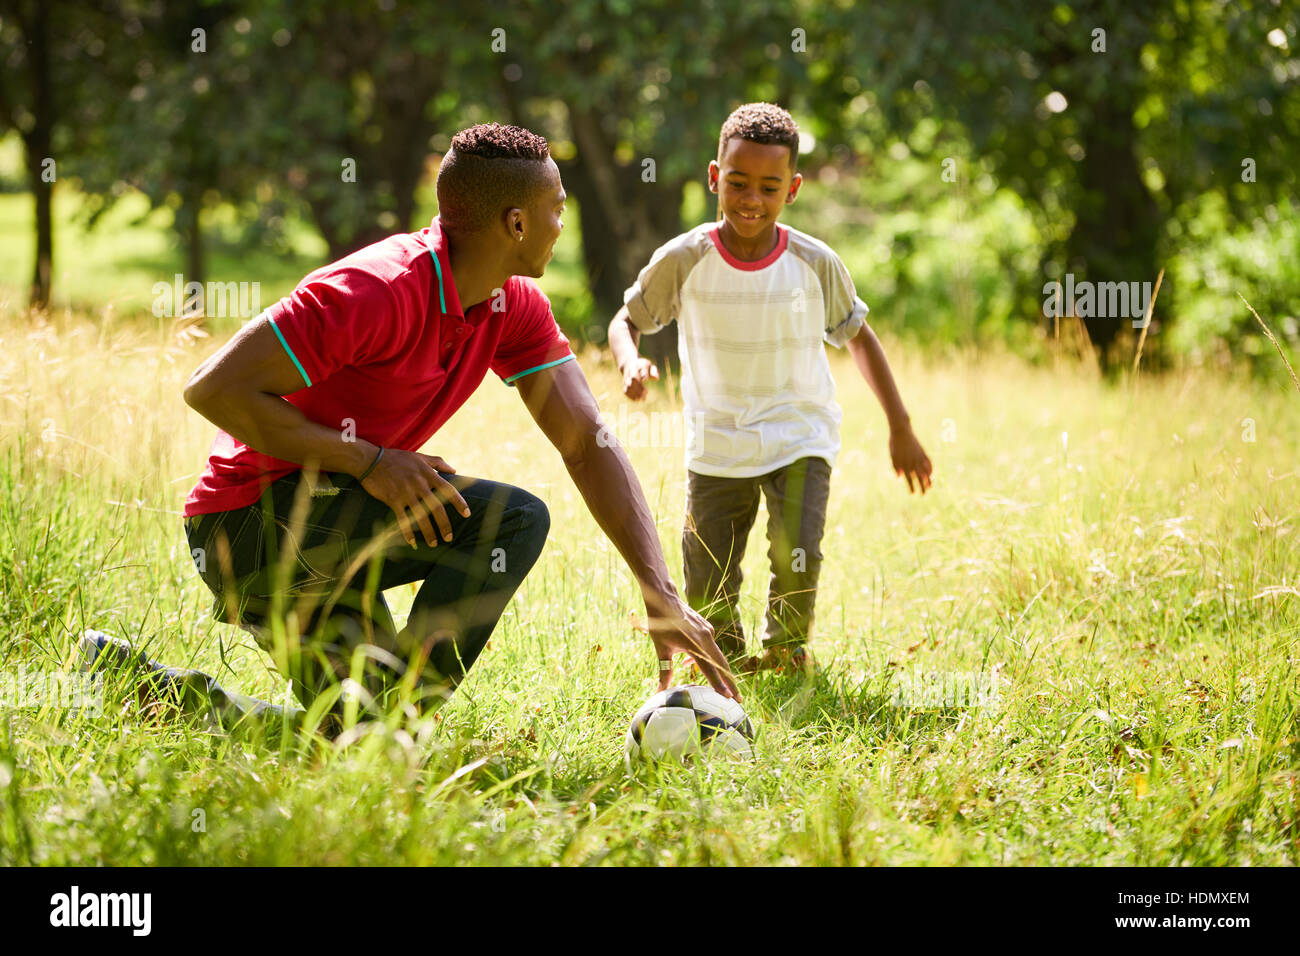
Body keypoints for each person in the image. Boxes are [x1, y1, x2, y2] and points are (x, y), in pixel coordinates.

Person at [82, 123, 737, 738]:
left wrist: (660, 591)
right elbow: (212, 387)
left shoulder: (511, 306)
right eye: (557, 208)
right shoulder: (377, 290)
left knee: (358, 733)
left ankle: (155, 690)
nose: (563, 224)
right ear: (515, 222)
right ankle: (394, 732)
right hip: (250, 528)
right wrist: (368, 461)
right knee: (510, 520)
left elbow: (585, 441)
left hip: (328, 532)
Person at [607, 103, 933, 676]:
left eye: (769, 186)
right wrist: (630, 360)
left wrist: (900, 426)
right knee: (707, 573)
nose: (751, 199)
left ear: (794, 188)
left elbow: (859, 337)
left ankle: (786, 653)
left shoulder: (813, 262)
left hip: (799, 434)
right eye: (737, 182)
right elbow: (625, 318)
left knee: (797, 557)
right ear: (714, 176)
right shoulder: (685, 259)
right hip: (717, 445)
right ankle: (722, 660)